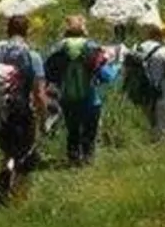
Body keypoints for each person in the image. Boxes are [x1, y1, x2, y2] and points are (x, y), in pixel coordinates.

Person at [0, 14, 49, 192]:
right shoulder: (32, 56)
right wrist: (43, 118)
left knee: (7, 144)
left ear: (7, 30)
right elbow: (39, 93)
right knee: (24, 149)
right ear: (27, 32)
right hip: (20, 110)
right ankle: (16, 190)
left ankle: (5, 173)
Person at [43, 15, 119, 166]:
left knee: (73, 131)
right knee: (89, 132)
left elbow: (48, 72)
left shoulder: (58, 48)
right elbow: (106, 76)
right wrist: (115, 68)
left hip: (67, 98)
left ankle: (73, 158)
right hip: (90, 98)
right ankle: (87, 159)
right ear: (84, 29)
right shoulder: (92, 47)